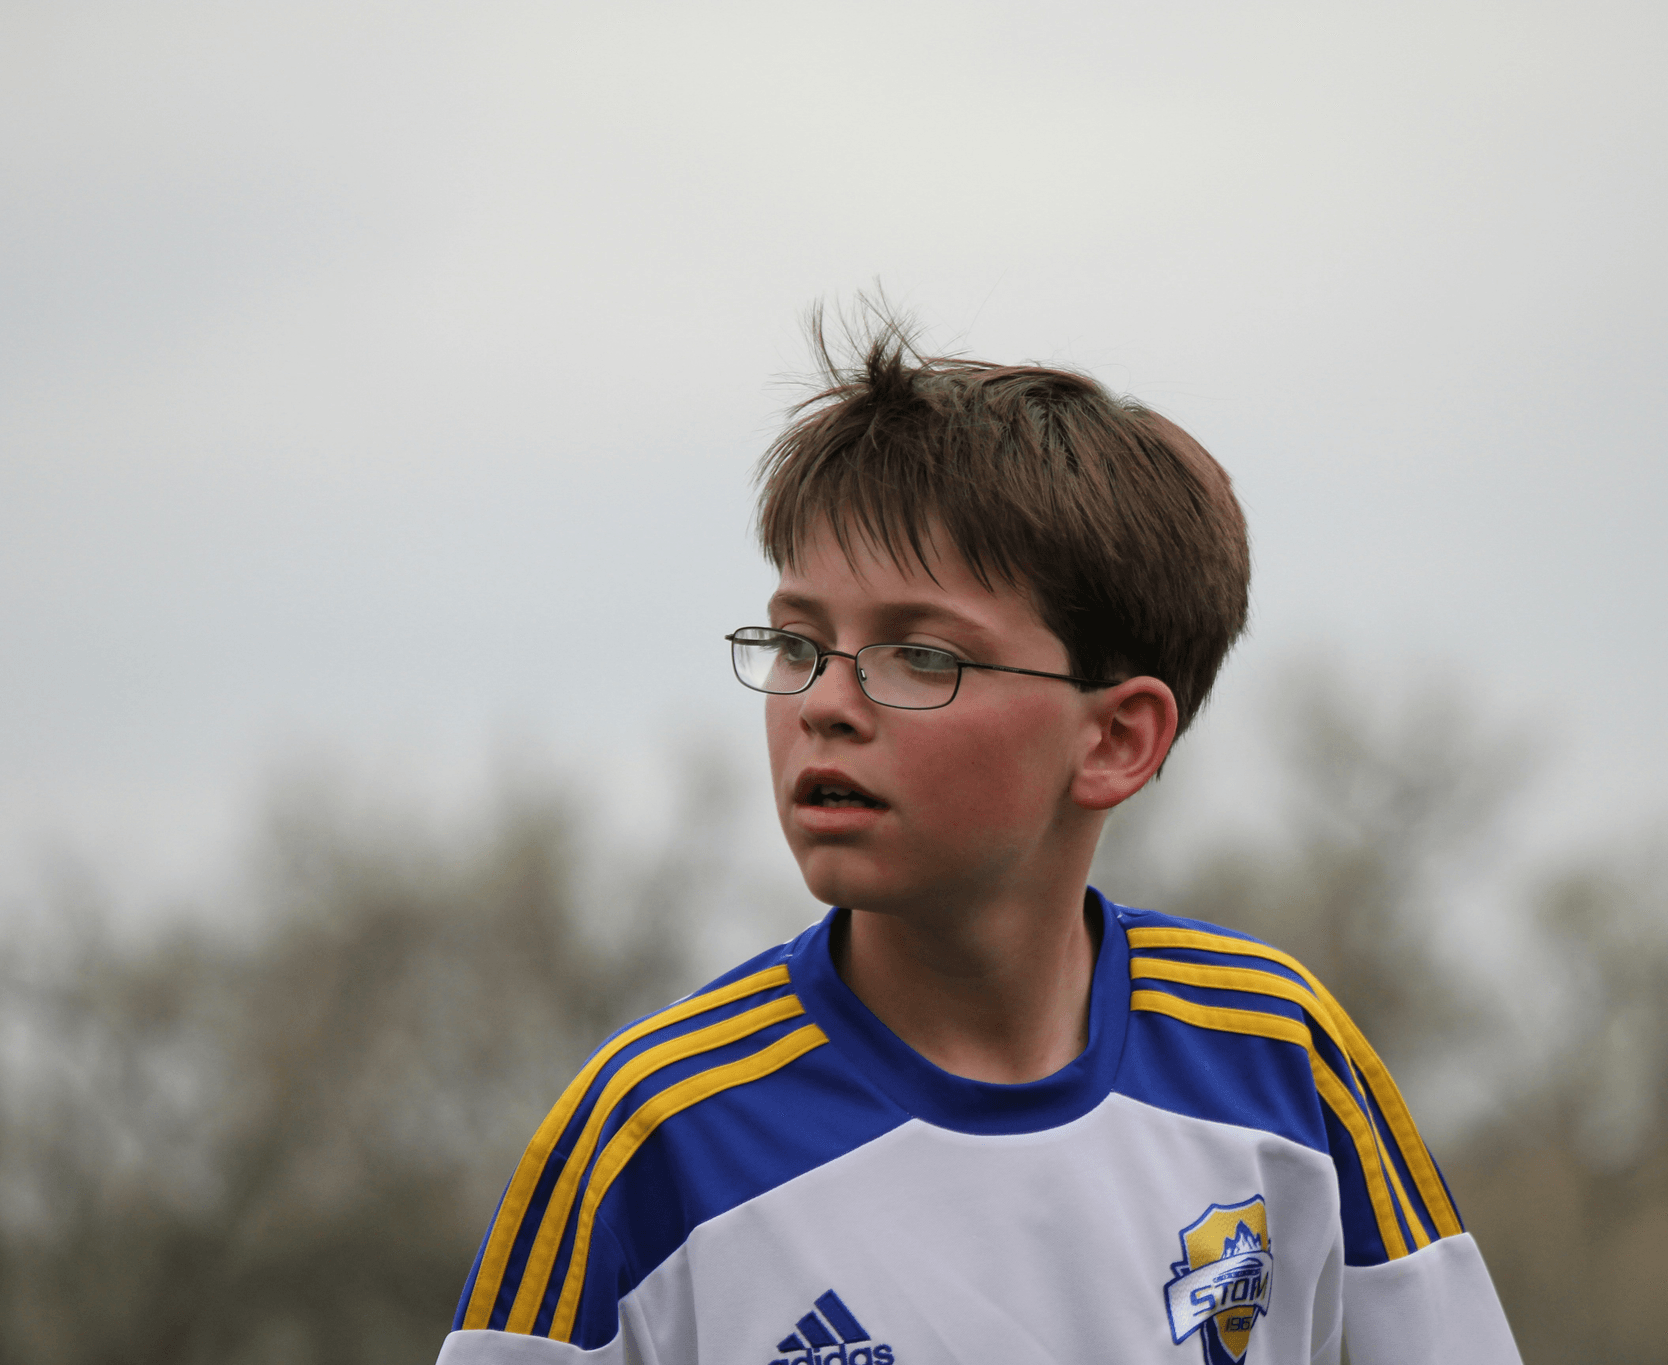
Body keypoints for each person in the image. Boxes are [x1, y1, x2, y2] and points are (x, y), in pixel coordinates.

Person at [435, 316, 1523, 1364]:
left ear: (1113, 740)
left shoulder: (1280, 1062)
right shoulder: (649, 1135)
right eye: (796, 642)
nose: (823, 701)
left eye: (919, 654)